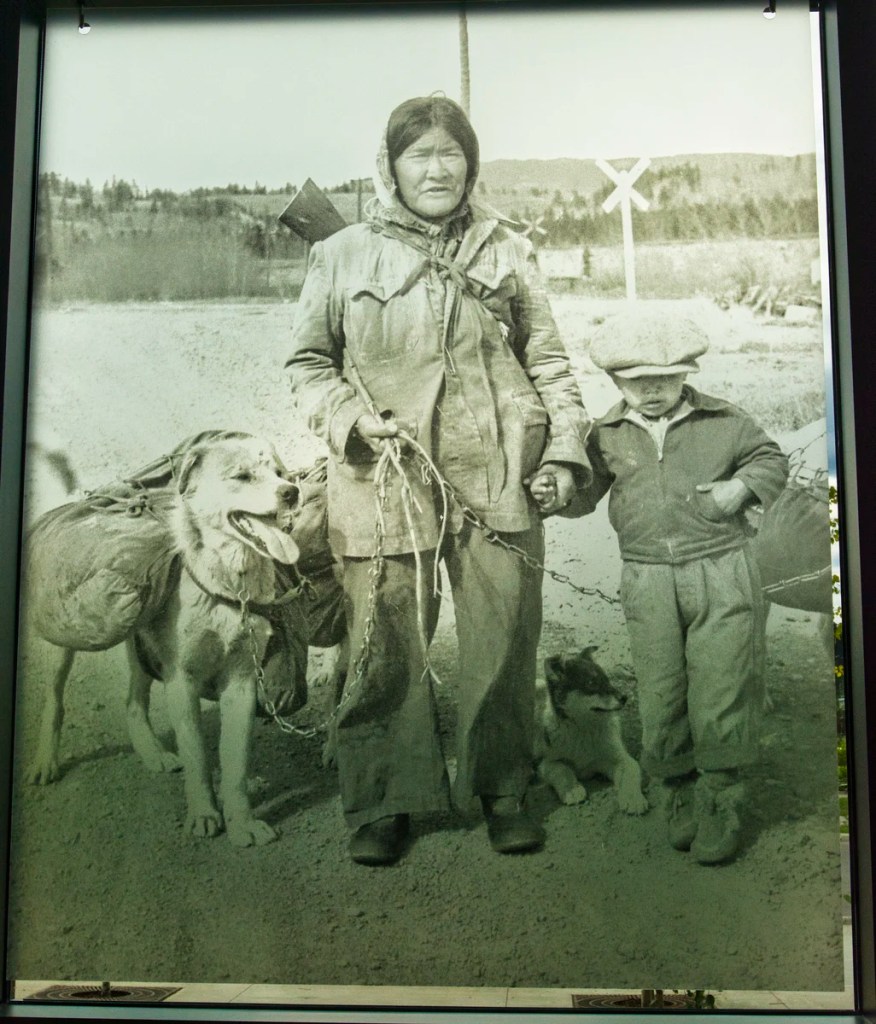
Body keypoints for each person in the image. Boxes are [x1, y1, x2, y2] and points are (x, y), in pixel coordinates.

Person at [286, 95, 591, 865]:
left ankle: (502, 789)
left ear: (471, 162)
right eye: (418, 154)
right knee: (383, 641)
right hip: (381, 476)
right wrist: (350, 420)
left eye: (450, 153)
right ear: (390, 167)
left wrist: (563, 454)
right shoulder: (343, 252)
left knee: (502, 640)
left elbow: (549, 363)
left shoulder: (508, 250)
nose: (436, 168)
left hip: (498, 473)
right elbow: (308, 366)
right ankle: (384, 798)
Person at [545, 307, 789, 865]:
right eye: (637, 381)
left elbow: (770, 458)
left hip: (721, 570)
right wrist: (556, 492)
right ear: (614, 381)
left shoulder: (723, 420)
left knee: (722, 685)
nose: (652, 391)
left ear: (687, 373)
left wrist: (743, 487)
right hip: (647, 578)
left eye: (666, 378)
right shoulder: (605, 435)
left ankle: (722, 799)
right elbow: (583, 495)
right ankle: (677, 790)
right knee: (661, 689)